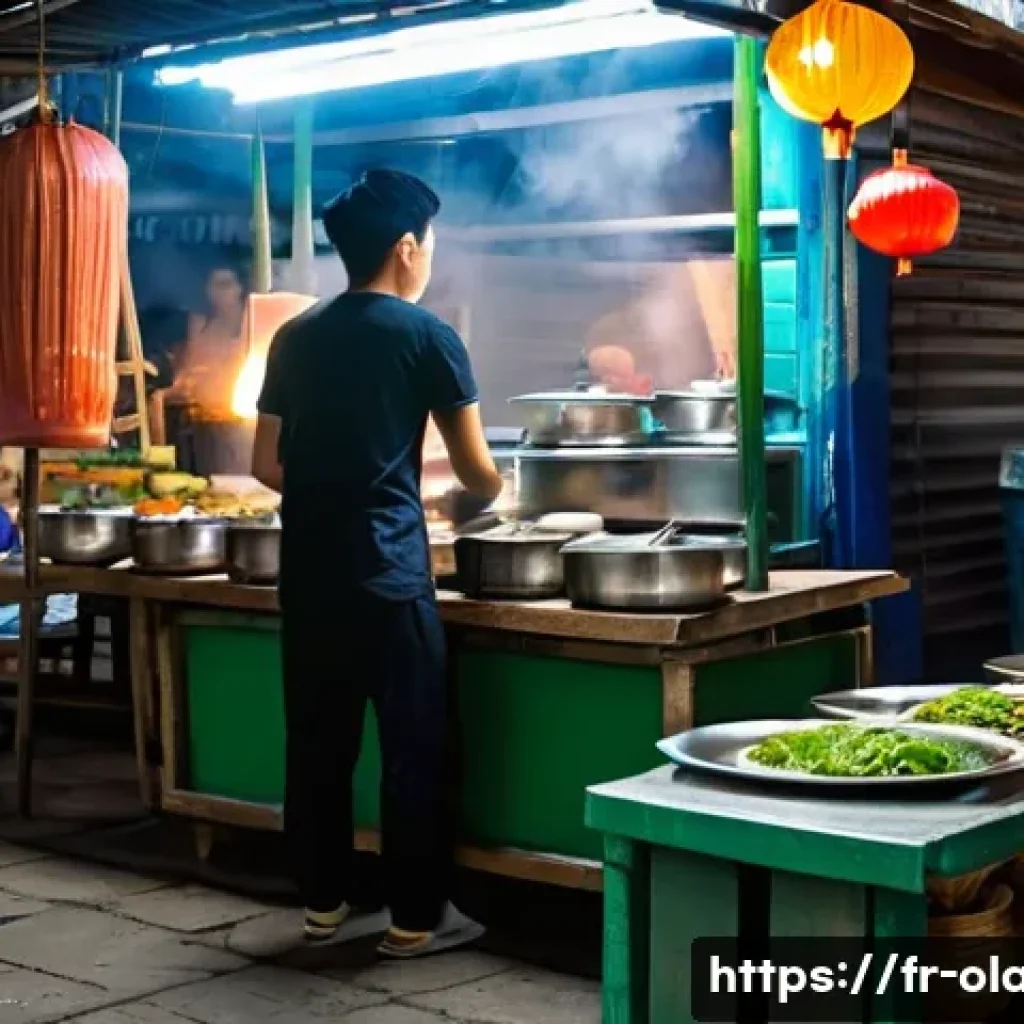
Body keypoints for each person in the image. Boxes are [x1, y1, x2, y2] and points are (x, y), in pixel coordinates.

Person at [251, 169, 503, 959]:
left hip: (311, 575)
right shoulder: (427, 336)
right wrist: (499, 485)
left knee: (318, 746)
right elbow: (477, 475)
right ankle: (414, 921)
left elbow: (266, 462)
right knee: (411, 748)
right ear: (405, 247)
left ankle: (323, 906)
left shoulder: (296, 333)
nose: (428, 257)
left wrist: (340, 480)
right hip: (391, 574)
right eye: (428, 244)